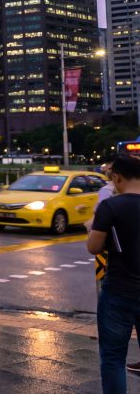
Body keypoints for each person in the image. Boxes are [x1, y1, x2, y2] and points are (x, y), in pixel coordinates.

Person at [88, 156, 140, 391]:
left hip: (120, 289)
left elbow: (94, 247)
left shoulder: (111, 206)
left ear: (117, 177)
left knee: (113, 358)